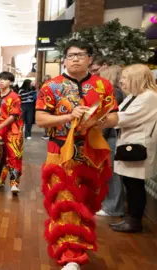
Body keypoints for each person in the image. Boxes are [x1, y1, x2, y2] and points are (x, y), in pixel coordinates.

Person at [35, 40, 118, 270]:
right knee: (65, 202)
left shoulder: (103, 86)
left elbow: (114, 117)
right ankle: (70, 256)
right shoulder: (51, 86)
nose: (75, 59)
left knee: (85, 204)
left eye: (81, 54)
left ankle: (78, 246)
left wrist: (99, 120)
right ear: (64, 59)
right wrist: (69, 117)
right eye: (70, 55)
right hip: (60, 151)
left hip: (91, 153)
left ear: (90, 59)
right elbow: (41, 119)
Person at [111, 64, 157, 233]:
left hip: (138, 147)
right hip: (129, 144)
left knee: (135, 185)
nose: (121, 81)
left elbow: (124, 118)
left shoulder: (149, 97)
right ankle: (131, 217)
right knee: (130, 183)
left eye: (125, 78)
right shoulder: (135, 96)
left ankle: (134, 221)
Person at [96, 65, 125, 217]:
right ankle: (111, 205)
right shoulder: (119, 92)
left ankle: (113, 207)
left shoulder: (113, 92)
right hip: (111, 136)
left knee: (112, 173)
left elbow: (107, 117)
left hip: (110, 137)